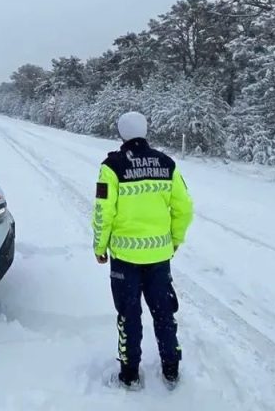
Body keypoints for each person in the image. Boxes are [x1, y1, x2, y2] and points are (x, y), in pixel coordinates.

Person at [92, 111, 194, 388]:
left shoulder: (111, 167)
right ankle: (171, 369)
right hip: (159, 256)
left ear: (121, 133)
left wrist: (100, 246)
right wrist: (174, 240)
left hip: (124, 258)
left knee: (129, 315)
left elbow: (103, 212)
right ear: (145, 131)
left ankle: (129, 374)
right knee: (164, 313)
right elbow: (184, 208)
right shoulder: (167, 163)